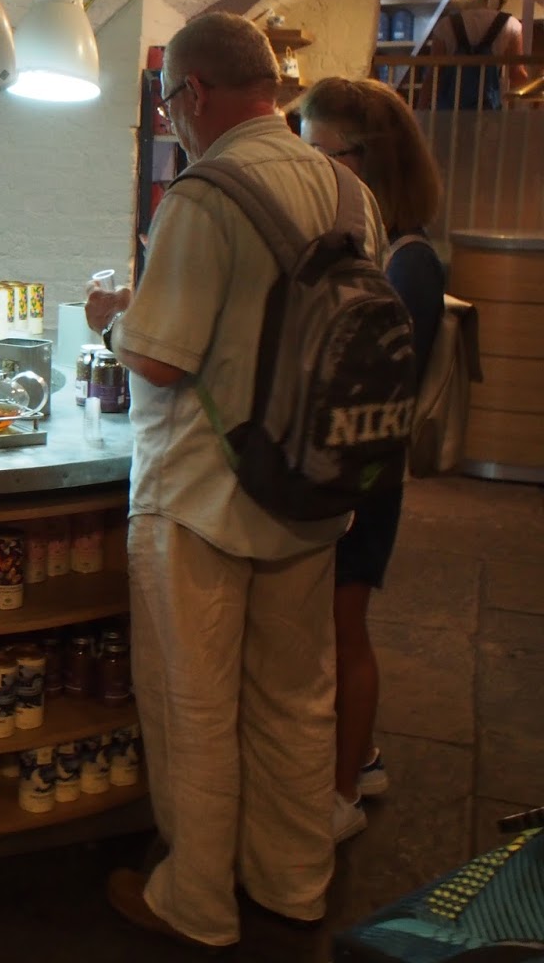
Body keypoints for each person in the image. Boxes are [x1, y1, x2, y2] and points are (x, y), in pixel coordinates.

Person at [85, 12, 387, 949]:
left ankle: (197, 901)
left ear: (196, 93)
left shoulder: (205, 193)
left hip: (203, 497)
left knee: (194, 705)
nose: (171, 119)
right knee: (297, 696)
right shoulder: (347, 192)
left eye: (170, 102)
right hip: (312, 486)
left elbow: (163, 358)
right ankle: (293, 881)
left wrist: (112, 319)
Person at [297, 77, 445, 842]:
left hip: (364, 475)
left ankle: (342, 794)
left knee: (343, 628)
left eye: (319, 154)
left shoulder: (407, 263)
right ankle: (362, 758)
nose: (310, 170)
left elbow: (371, 386)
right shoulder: (388, 250)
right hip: (358, 469)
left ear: (364, 159)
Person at [420, 0, 528, 109]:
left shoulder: (445, 24)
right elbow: (516, 74)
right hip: (488, 106)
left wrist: (420, 110)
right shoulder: (511, 24)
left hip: (451, 107)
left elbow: (434, 74)